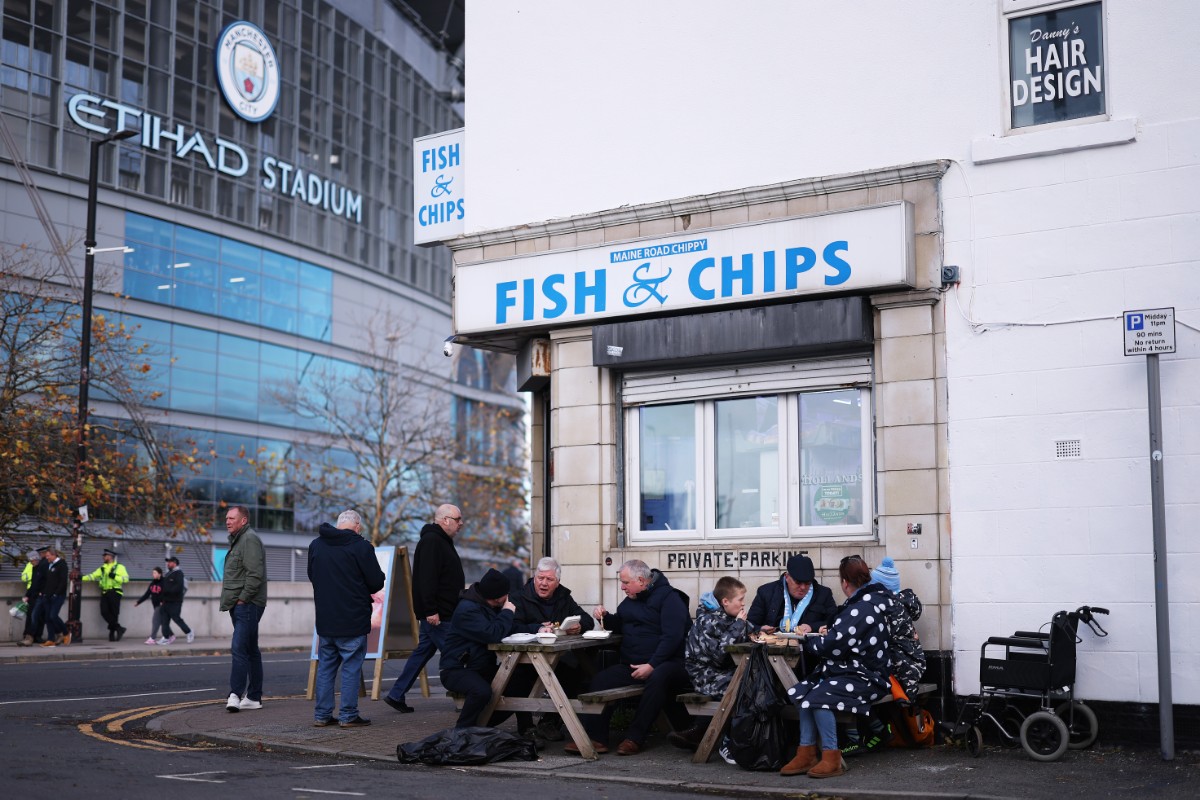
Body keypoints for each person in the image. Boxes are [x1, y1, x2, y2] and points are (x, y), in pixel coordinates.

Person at [780, 555, 893, 779]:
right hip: (856, 672)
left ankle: (831, 757)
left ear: (844, 582)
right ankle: (806, 753)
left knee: (818, 697)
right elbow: (844, 638)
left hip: (866, 677)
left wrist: (808, 641)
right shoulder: (868, 602)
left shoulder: (861, 608)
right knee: (804, 693)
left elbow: (833, 645)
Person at [576, 559, 693, 757]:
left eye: (625, 583)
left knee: (658, 677)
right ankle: (597, 738)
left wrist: (652, 665)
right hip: (632, 663)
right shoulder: (631, 599)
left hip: (669, 663)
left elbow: (672, 638)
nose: (622, 587)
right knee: (601, 680)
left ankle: (635, 738)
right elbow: (620, 624)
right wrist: (604, 617)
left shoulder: (670, 599)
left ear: (641, 580)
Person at [384, 504, 465, 714]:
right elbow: (426, 579)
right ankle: (466, 699)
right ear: (445, 520)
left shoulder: (439, 540)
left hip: (439, 613)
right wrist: (430, 610)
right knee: (459, 656)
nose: (461, 524)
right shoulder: (432, 541)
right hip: (439, 615)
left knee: (421, 654)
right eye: (458, 519)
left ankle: (396, 694)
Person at [308, 510, 386, 728]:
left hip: (326, 618)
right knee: (351, 668)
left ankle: (322, 715)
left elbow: (312, 576)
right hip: (353, 618)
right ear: (357, 527)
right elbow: (376, 582)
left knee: (326, 668)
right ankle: (348, 715)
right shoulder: (361, 547)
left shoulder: (316, 545)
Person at [843, 557, 926, 756]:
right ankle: (880, 730)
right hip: (913, 665)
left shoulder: (884, 607)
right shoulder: (903, 604)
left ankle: (857, 738)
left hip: (899, 670)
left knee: (850, 677)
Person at [510, 556, 594, 742]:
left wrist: (579, 627)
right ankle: (526, 727)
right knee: (517, 675)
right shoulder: (518, 598)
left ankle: (549, 723)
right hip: (524, 658)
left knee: (576, 669)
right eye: (540, 578)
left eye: (549, 579)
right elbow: (511, 626)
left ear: (557, 582)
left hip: (556, 658)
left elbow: (587, 620)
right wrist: (538, 628)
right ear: (534, 577)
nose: (543, 583)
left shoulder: (563, 597)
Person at [670, 576, 753, 755]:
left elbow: (746, 632)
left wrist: (758, 630)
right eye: (740, 599)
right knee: (744, 688)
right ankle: (726, 742)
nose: (743, 604)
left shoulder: (728, 617)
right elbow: (719, 657)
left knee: (754, 682)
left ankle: (700, 733)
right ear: (725, 601)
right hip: (705, 677)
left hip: (724, 673)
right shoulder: (707, 621)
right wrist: (739, 624)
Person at [438, 568, 522, 728]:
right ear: (497, 597)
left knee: (519, 684)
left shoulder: (488, 607)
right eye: (506, 593)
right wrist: (507, 611)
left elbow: (509, 628)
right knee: (481, 691)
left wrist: (539, 628)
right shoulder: (467, 610)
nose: (508, 597)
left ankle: (484, 726)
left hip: (480, 668)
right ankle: (462, 731)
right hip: (457, 669)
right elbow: (493, 634)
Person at [220, 505, 268, 712]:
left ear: (243, 520)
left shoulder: (249, 539)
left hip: (248, 604)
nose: (227, 521)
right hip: (241, 603)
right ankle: (254, 697)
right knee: (250, 650)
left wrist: (242, 599)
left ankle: (235, 695)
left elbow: (255, 574)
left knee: (239, 647)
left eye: (232, 518)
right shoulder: (239, 540)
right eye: (227, 518)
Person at [747, 554, 837, 638]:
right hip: (773, 646)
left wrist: (812, 627)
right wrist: (760, 629)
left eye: (807, 583)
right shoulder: (766, 592)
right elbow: (750, 624)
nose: (803, 587)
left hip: (809, 647)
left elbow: (836, 622)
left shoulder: (824, 594)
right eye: (798, 582)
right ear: (787, 577)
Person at [82, 547, 130, 641]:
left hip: (115, 592)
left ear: (110, 557)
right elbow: (93, 575)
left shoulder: (120, 567)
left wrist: (115, 576)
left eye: (105, 555)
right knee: (104, 612)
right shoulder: (103, 568)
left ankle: (112, 634)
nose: (103, 557)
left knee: (114, 613)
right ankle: (119, 628)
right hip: (105, 592)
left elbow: (126, 579)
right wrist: (81, 578)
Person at [39, 546, 70, 647]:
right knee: (48, 618)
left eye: (48, 556)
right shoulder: (49, 565)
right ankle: (50, 639)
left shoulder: (62, 565)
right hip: (47, 595)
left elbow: (63, 582)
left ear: (54, 555)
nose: (46, 558)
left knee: (53, 615)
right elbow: (47, 581)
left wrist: (56, 593)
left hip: (58, 595)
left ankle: (66, 633)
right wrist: (43, 592)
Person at [161, 555, 194, 644]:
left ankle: (189, 632)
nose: (168, 564)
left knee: (176, 618)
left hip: (175, 601)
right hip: (166, 601)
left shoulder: (179, 573)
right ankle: (166, 637)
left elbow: (178, 588)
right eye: (167, 562)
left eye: (169, 562)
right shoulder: (168, 574)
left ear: (174, 563)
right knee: (164, 620)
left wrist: (167, 592)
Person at [17, 549, 43, 646]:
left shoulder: (41, 566)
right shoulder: (31, 565)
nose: (32, 562)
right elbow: (24, 577)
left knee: (39, 616)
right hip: (32, 592)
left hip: (38, 593)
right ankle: (28, 635)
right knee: (31, 615)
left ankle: (36, 636)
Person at [134, 567, 166, 644]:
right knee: (162, 622)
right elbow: (147, 594)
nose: (153, 574)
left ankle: (152, 638)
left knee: (155, 621)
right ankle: (170, 635)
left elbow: (166, 593)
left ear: (160, 574)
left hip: (161, 605)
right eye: (153, 573)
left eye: (155, 573)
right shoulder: (152, 583)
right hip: (155, 605)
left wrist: (162, 601)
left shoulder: (164, 582)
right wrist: (139, 602)